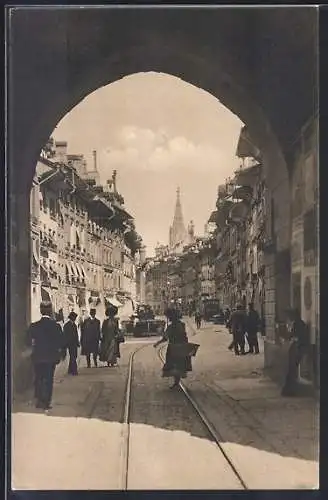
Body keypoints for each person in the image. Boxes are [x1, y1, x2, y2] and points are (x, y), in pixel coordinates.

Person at [26, 301, 65, 411]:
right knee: (48, 379)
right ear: (50, 311)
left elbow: (27, 340)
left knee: (38, 378)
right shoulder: (56, 326)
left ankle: (39, 401)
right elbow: (61, 341)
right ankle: (46, 402)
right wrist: (60, 353)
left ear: (41, 311)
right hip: (51, 358)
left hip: (38, 357)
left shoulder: (34, 326)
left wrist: (33, 347)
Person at [154, 308, 193, 388]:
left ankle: (176, 382)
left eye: (168, 317)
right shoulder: (182, 325)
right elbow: (184, 336)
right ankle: (177, 382)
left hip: (173, 348)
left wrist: (158, 341)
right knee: (179, 364)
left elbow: (166, 337)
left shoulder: (171, 327)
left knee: (174, 364)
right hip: (181, 347)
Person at [281, 308, 310, 396]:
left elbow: (295, 336)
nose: (288, 317)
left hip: (297, 349)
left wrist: (289, 337)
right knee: (292, 370)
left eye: (289, 316)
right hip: (296, 349)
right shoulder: (298, 323)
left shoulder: (298, 324)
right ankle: (289, 390)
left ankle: (289, 390)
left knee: (292, 370)